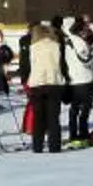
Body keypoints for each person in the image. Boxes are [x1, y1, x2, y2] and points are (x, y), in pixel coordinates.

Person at [23, 22, 69, 153]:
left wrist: (26, 80)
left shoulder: (33, 47)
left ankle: (37, 146)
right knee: (53, 118)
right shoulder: (57, 46)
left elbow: (26, 66)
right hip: (54, 82)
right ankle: (54, 146)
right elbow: (62, 64)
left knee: (38, 117)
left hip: (36, 83)